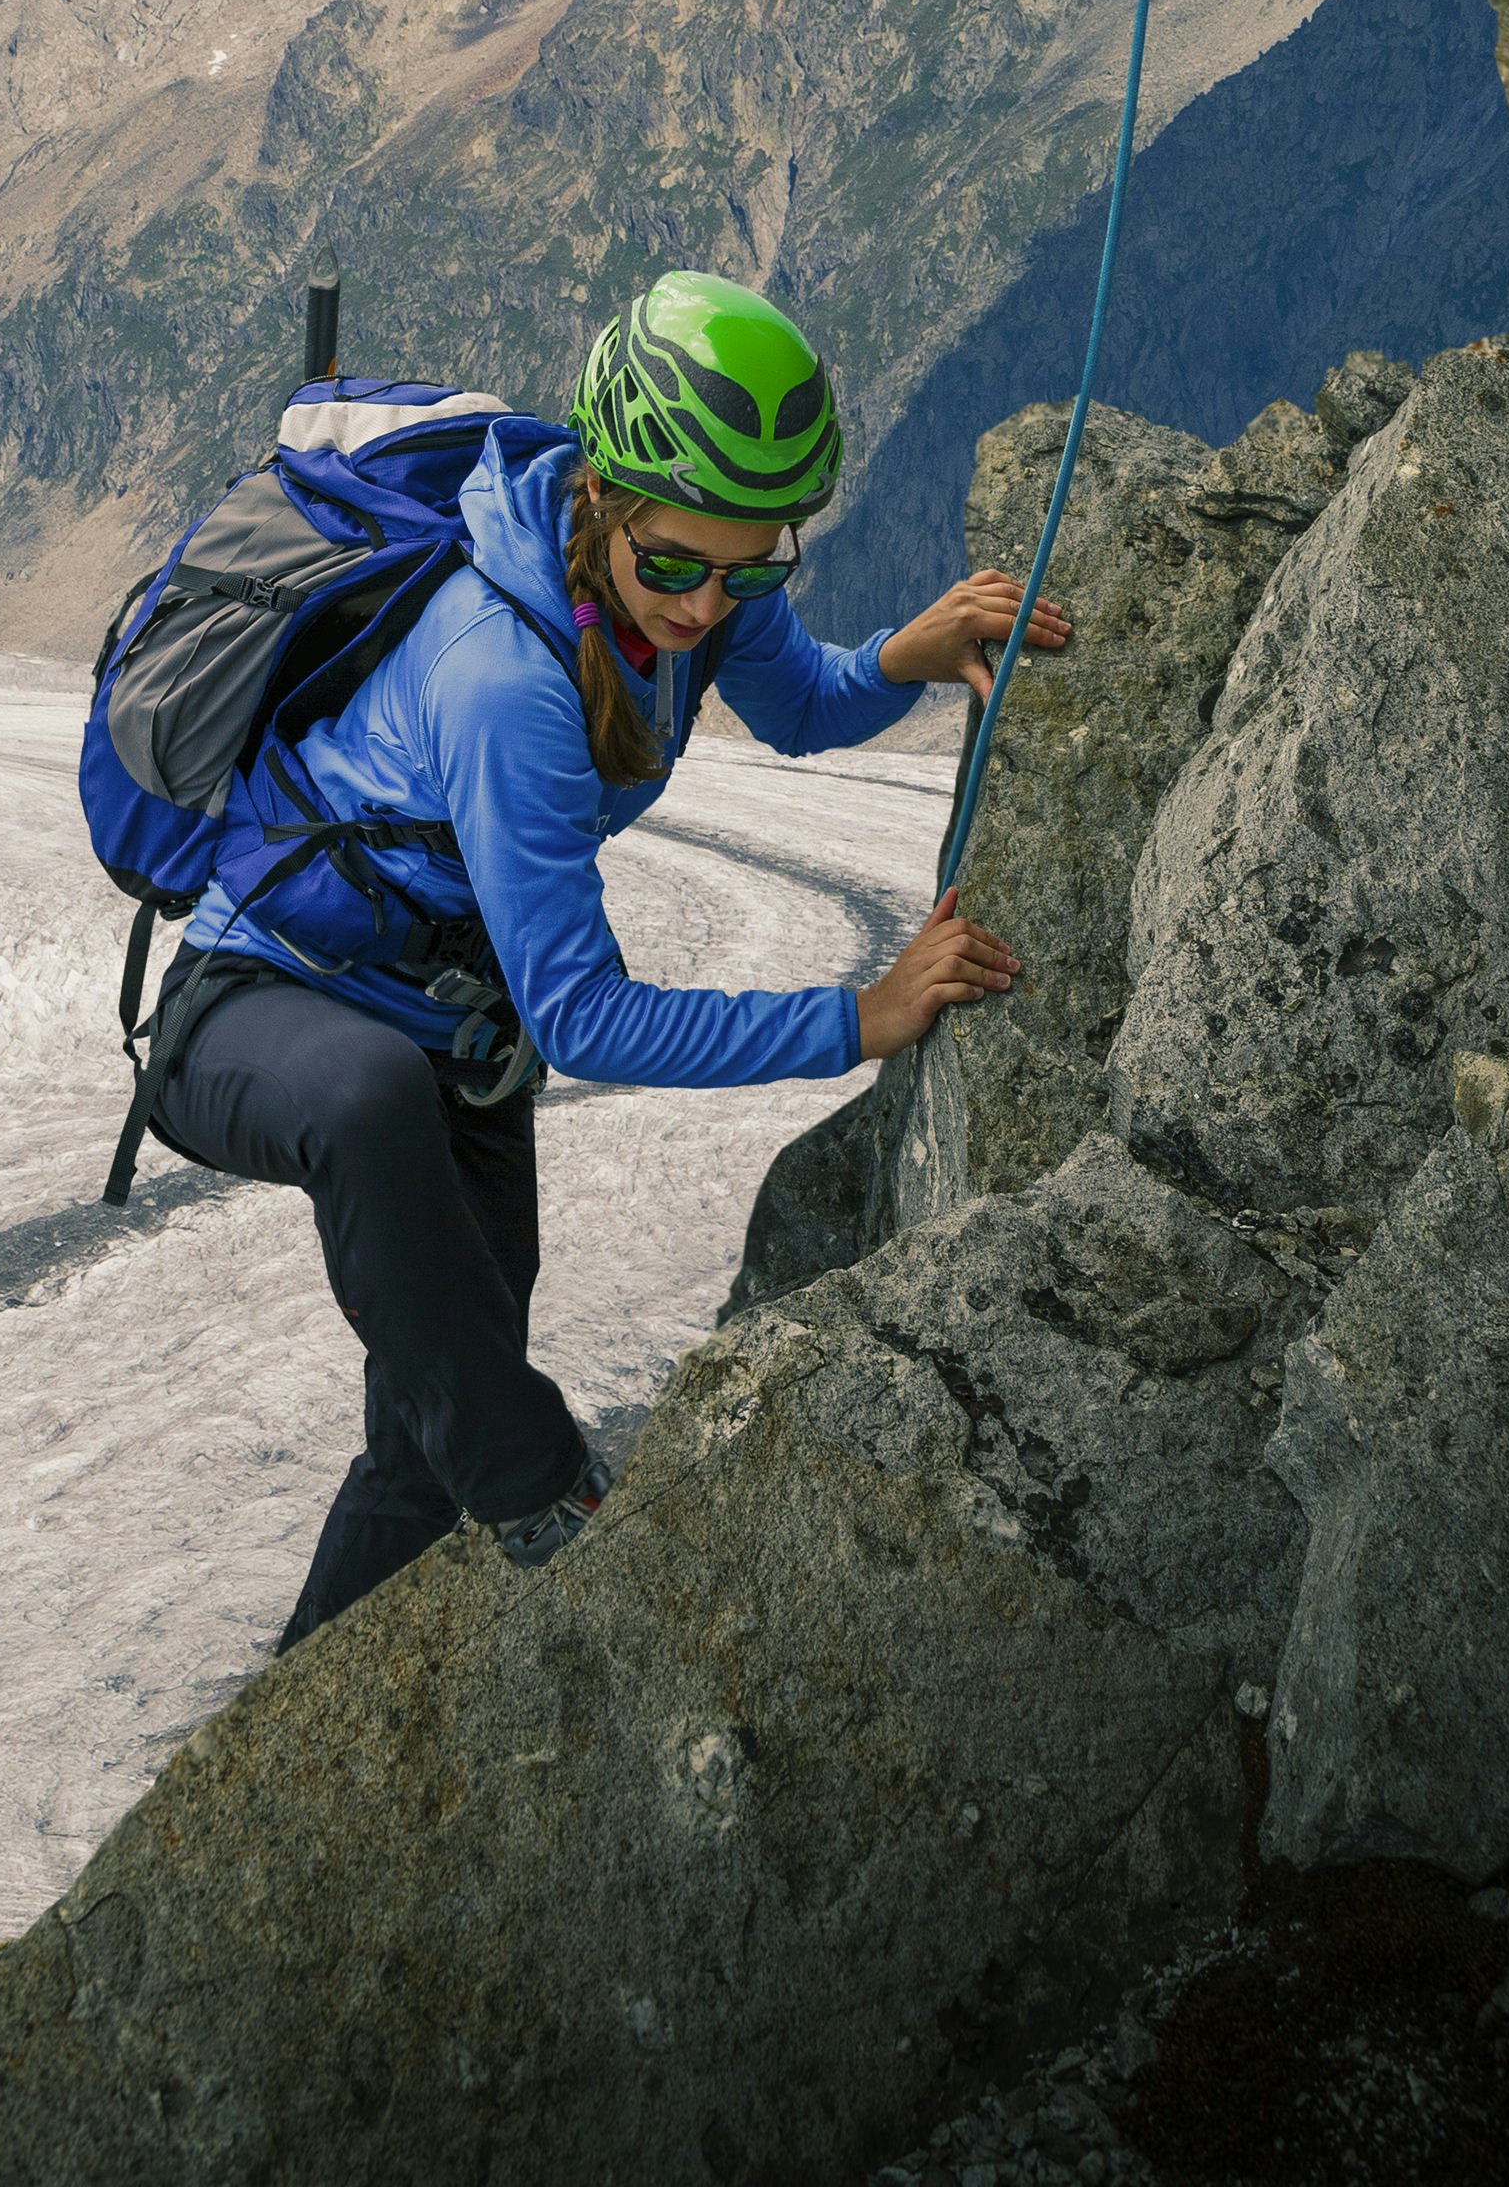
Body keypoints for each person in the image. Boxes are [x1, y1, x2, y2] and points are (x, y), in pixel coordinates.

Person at [140, 269, 1070, 1648]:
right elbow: (586, 1018)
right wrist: (857, 1016)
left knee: (423, 1437)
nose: (705, 604)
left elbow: (797, 703)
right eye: (677, 567)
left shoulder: (696, 568)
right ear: (600, 502)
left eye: (750, 564)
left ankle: (284, 1741)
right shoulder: (499, 675)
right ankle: (544, 1486)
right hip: (260, 1010)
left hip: (454, 1042)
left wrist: (902, 657)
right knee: (403, 1209)